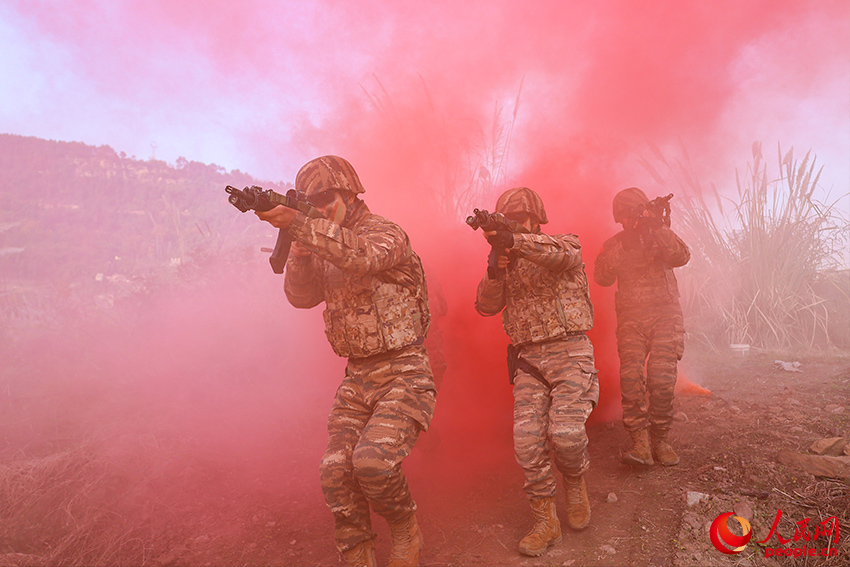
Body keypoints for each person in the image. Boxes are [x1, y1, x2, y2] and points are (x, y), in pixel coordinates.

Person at [255, 155, 436, 567]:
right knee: (335, 472)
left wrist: (302, 226)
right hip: (357, 376)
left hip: (404, 372)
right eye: (310, 202)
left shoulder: (384, 233)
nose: (319, 208)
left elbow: (362, 257)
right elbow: (300, 298)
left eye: (326, 199)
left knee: (372, 463)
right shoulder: (320, 239)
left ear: (351, 193)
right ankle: (358, 554)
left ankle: (406, 526)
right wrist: (300, 253)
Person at [474, 187, 599, 557]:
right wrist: (496, 267)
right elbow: (484, 306)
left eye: (523, 220)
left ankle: (575, 482)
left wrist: (517, 242)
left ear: (536, 220)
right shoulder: (506, 261)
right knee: (527, 442)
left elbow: (562, 256)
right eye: (512, 221)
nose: (519, 226)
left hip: (570, 351)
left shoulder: (563, 244)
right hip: (529, 361)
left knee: (566, 435)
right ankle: (546, 522)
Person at [593, 187, 690, 467]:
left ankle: (660, 439)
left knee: (662, 380)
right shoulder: (617, 243)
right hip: (632, 319)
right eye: (624, 217)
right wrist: (626, 243)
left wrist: (656, 227)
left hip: (665, 316)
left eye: (632, 215)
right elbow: (601, 276)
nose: (628, 221)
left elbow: (681, 256)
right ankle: (640, 443)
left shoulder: (661, 234)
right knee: (631, 379)